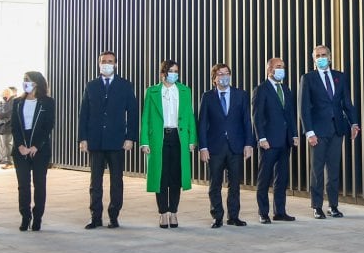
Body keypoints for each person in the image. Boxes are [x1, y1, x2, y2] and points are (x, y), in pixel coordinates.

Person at [78, 50, 138, 229]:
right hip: (95, 141)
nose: (106, 64)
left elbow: (133, 114)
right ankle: (95, 216)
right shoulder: (91, 85)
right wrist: (83, 138)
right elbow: (84, 114)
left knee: (116, 181)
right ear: (99, 64)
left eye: (110, 61)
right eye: (103, 61)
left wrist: (130, 138)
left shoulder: (125, 85)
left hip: (117, 141)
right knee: (95, 182)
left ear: (116, 64)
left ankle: (114, 215)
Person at [299, 44, 361, 219]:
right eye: (317, 56)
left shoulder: (339, 77)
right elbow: (304, 108)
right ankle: (317, 206)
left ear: (330, 57)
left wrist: (354, 123)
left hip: (336, 129)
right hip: (317, 131)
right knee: (317, 170)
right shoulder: (308, 78)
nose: (321, 58)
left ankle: (333, 205)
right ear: (314, 60)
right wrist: (309, 132)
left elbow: (346, 103)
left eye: (323, 54)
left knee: (333, 169)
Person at [140, 60, 197, 228]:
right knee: (160, 177)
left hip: (179, 137)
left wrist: (192, 139)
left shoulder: (185, 91)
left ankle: (174, 212)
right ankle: (163, 213)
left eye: (176, 71)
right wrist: (144, 141)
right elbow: (146, 118)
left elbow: (190, 116)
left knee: (176, 176)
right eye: (171, 71)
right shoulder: (152, 91)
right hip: (159, 138)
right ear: (162, 73)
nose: (174, 74)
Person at [197, 62, 254, 228]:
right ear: (214, 79)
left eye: (227, 73)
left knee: (234, 184)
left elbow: (246, 121)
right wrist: (203, 147)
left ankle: (233, 216)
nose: (224, 77)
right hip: (215, 147)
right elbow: (202, 124)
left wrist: (248, 144)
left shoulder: (241, 95)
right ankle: (217, 216)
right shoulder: (207, 97)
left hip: (236, 146)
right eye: (220, 74)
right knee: (215, 184)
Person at [252, 57, 299, 224]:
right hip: (269, 142)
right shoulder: (261, 89)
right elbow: (257, 117)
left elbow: (290, 114)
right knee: (264, 178)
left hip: (285, 141)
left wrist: (294, 135)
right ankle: (263, 212)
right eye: (278, 66)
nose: (281, 69)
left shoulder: (285, 89)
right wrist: (261, 138)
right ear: (269, 69)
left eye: (283, 67)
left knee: (282, 178)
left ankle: (280, 211)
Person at [12, 71, 55, 231]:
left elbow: (48, 126)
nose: (25, 83)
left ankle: (38, 218)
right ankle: (25, 217)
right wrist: (20, 146)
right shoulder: (17, 102)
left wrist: (36, 146)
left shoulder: (47, 102)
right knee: (23, 185)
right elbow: (15, 127)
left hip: (40, 149)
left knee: (39, 183)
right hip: (21, 148)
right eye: (24, 80)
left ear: (36, 83)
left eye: (28, 80)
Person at [0, 87, 15, 168]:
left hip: (9, 126)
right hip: (4, 126)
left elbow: (10, 114)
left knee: (7, 144)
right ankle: (8, 161)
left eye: (4, 93)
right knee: (5, 144)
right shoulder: (5, 102)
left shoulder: (12, 101)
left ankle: (10, 162)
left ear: (7, 93)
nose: (2, 95)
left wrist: (1, 117)